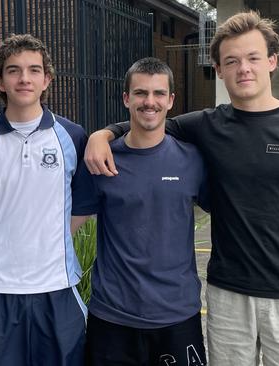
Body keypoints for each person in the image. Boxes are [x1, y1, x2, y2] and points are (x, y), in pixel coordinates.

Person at [84, 10, 279, 366]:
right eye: (232, 61)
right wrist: (102, 135)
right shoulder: (207, 125)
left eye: (253, 58)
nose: (244, 68)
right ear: (219, 70)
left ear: (272, 61)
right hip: (228, 296)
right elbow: (150, 117)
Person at [0, 33, 91, 366]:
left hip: (58, 288)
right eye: (14, 70)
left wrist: (51, 236)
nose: (24, 78)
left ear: (46, 79)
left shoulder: (73, 137)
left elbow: (85, 203)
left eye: (34, 70)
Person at [75, 57, 208, 366]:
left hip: (177, 315)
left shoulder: (192, 159)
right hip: (113, 317)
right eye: (140, 93)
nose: (150, 102)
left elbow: (232, 214)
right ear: (126, 98)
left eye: (159, 93)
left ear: (171, 100)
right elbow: (68, 223)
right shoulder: (100, 161)